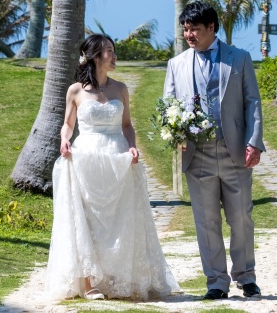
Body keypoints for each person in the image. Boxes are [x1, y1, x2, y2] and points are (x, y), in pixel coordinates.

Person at [45, 33, 179, 302]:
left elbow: (127, 125)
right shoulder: (76, 90)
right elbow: (68, 124)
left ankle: (118, 278)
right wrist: (64, 141)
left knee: (120, 217)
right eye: (108, 50)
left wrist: (132, 146)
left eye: (113, 50)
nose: (114, 55)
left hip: (117, 156)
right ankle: (88, 282)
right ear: (94, 56)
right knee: (87, 217)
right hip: (86, 157)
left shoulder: (121, 89)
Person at [164, 0, 264, 300]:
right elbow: (169, 105)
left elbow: (253, 103)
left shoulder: (240, 58)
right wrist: (175, 135)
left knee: (241, 218)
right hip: (197, 155)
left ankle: (246, 277)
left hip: (234, 151)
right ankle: (216, 282)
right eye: (185, 30)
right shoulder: (176, 64)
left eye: (194, 29)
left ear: (211, 28)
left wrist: (254, 141)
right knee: (206, 221)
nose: (189, 35)